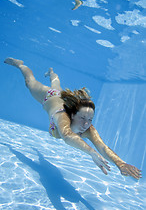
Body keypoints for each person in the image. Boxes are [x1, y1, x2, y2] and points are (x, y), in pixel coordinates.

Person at [4, 57, 142, 180]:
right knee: (30, 82)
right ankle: (20, 65)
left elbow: (103, 147)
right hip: (49, 97)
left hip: (60, 95)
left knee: (57, 84)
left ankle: (51, 73)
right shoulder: (62, 116)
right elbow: (67, 135)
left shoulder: (88, 128)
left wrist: (120, 163)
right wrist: (91, 152)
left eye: (90, 119)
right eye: (82, 118)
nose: (86, 124)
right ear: (72, 114)